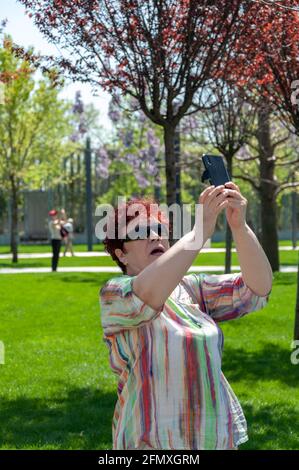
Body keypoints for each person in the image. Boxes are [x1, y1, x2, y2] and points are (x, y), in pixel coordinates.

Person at [99, 182, 273, 450]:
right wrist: (198, 234)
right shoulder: (114, 295)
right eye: (142, 231)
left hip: (212, 440)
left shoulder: (192, 289)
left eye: (160, 230)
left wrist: (240, 227)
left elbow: (257, 289)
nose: (156, 237)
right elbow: (145, 295)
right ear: (121, 253)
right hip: (150, 444)